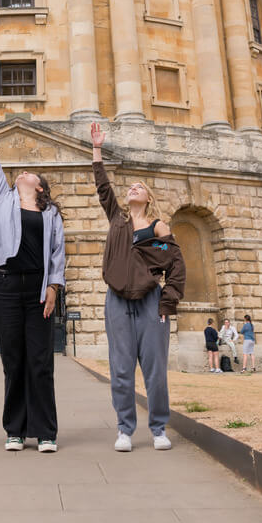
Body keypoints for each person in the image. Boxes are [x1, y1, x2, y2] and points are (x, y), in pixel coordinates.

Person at [0, 115, 65, 453]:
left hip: (38, 288)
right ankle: (15, 429)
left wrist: (54, 287)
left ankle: (46, 431)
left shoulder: (51, 214)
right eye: (18, 174)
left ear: (40, 187)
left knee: (40, 359)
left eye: (28, 174)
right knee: (13, 358)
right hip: (7, 286)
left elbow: (57, 254)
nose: (20, 174)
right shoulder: (3, 199)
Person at [90, 122, 186, 452]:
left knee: (155, 370)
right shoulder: (117, 219)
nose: (133, 188)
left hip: (150, 302)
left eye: (139, 187)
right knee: (120, 369)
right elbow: (104, 188)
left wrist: (167, 303)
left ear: (148, 198)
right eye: (130, 186)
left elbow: (174, 263)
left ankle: (159, 428)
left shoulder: (158, 227)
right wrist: (97, 150)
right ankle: (125, 429)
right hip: (116, 300)